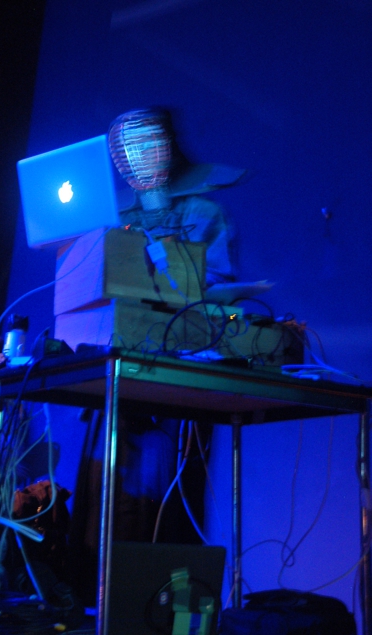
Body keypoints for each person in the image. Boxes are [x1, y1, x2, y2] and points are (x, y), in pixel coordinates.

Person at [66, 107, 244, 606]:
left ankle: (153, 614)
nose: (138, 155)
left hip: (174, 382)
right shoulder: (112, 221)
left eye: (148, 142)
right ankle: (95, 610)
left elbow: (217, 290)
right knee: (105, 503)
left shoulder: (202, 213)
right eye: (126, 148)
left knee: (159, 510)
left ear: (168, 146)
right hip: (117, 377)